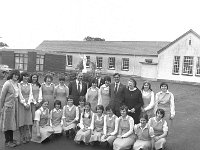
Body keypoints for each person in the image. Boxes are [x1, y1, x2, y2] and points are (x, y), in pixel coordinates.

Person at [0, 69, 20, 147]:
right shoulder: (7, 83)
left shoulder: (16, 84)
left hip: (14, 107)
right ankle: (7, 141)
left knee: (11, 124)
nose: (16, 76)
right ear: (11, 75)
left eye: (17, 75)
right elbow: (2, 98)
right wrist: (1, 108)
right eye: (15, 74)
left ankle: (11, 139)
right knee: (7, 124)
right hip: (8, 107)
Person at [18, 72, 33, 144]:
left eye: (27, 76)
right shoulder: (19, 84)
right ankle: (22, 136)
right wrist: (24, 103)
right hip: (21, 104)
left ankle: (27, 135)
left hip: (28, 104)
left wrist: (29, 103)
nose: (26, 78)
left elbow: (31, 95)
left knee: (27, 120)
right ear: (22, 77)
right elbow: (20, 95)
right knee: (22, 120)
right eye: (24, 76)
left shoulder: (30, 85)